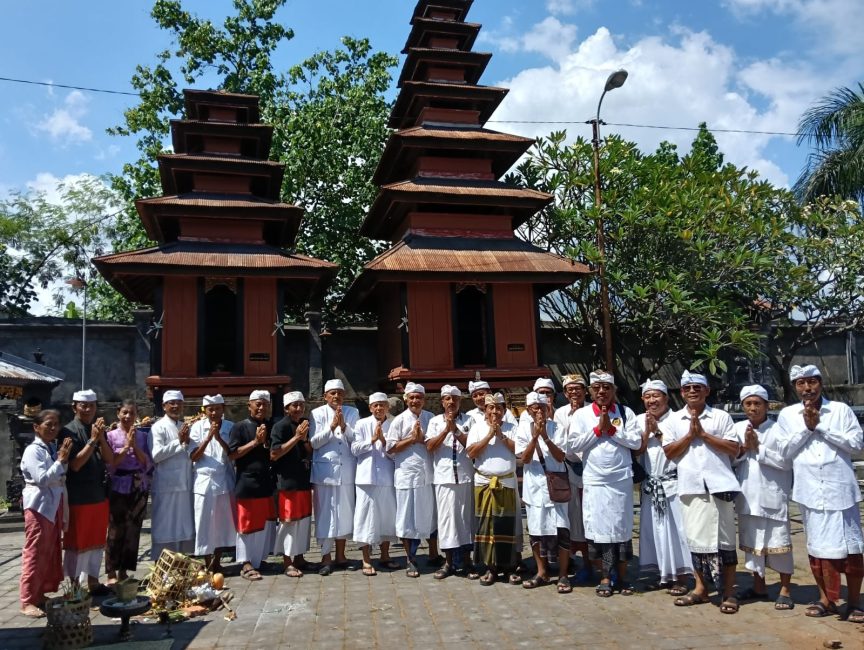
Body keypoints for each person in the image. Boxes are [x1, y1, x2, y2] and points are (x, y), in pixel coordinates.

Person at [776, 365, 864, 622]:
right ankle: (826, 599)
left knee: (851, 550)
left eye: (812, 382)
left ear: (820, 383)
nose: (807, 388)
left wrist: (821, 427)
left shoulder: (840, 410)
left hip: (841, 492)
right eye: (801, 383)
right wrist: (806, 428)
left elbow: (857, 445)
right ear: (795, 387)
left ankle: (854, 602)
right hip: (810, 492)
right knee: (817, 548)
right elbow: (783, 452)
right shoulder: (787, 415)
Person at [664, 370, 741, 614]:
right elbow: (669, 452)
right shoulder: (674, 420)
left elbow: (733, 448)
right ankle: (700, 589)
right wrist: (690, 435)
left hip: (720, 486)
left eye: (697, 387)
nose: (692, 391)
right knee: (696, 540)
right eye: (687, 388)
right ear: (681, 392)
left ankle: (728, 592)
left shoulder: (720, 417)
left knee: (725, 541)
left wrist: (704, 435)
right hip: (691, 488)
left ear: (707, 391)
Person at [570, 371, 641, 597]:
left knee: (621, 528)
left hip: (620, 481)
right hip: (595, 482)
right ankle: (605, 577)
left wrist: (611, 430)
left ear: (614, 390)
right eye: (597, 388)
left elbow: (636, 441)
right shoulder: (581, 415)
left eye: (607, 387)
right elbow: (573, 445)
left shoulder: (625, 412)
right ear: (590, 391)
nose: (602, 391)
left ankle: (622, 577)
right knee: (600, 531)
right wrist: (597, 430)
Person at [733, 384, 794, 610]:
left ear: (767, 406)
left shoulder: (779, 430)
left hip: (773, 495)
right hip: (748, 495)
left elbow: (787, 462)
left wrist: (758, 448)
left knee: (779, 542)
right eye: (748, 403)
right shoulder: (737, 428)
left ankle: (785, 590)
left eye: (757, 403)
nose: (753, 408)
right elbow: (730, 459)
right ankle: (759, 587)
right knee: (753, 543)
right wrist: (743, 449)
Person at [635, 380, 693, 596]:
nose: (652, 400)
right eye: (648, 396)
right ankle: (662, 575)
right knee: (654, 531)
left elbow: (681, 449)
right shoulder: (639, 420)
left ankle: (682, 577)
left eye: (656, 396)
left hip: (673, 483)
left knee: (677, 531)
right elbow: (636, 451)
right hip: (651, 484)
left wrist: (657, 432)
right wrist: (646, 432)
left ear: (666, 398)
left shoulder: (678, 419)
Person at [517, 392, 573, 594]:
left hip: (556, 486)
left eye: (542, 407)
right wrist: (534, 437)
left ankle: (563, 574)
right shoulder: (523, 429)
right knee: (536, 530)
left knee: (562, 529)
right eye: (535, 408)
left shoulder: (558, 428)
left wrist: (545, 437)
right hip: (534, 487)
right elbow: (524, 458)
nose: (539, 411)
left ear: (548, 409)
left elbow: (560, 457)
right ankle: (542, 572)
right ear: (528, 410)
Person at [19, 410, 73, 618]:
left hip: (53, 503)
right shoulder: (32, 451)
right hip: (39, 505)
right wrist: (60, 461)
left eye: (56, 424)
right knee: (35, 552)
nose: (53, 428)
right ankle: (27, 599)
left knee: (49, 551)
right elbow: (42, 479)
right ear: (36, 427)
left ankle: (39, 592)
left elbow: (59, 473)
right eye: (48, 424)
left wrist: (62, 460)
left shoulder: (50, 447)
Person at [60, 388, 113, 594]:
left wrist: (101, 439)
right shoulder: (68, 431)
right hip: (79, 496)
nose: (88, 409)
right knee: (77, 542)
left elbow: (108, 459)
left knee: (97, 541)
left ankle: (93, 581)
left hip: (99, 493)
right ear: (74, 407)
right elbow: (75, 465)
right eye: (84, 406)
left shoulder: (97, 429)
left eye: (92, 405)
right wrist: (92, 440)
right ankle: (74, 586)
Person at [466, 392, 522, 587]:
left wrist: (501, 436)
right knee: (486, 526)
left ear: (504, 410)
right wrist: (489, 435)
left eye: (499, 408)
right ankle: (490, 568)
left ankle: (509, 567)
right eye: (491, 408)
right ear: (485, 410)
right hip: (484, 483)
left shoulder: (512, 428)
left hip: (506, 483)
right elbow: (471, 453)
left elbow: (520, 452)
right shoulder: (477, 428)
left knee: (507, 526)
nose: (495, 412)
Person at [386, 382, 439, 578]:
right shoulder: (398, 421)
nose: (415, 401)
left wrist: (422, 438)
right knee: (407, 519)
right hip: (407, 476)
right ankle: (411, 559)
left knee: (430, 516)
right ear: (406, 399)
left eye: (419, 397)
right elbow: (390, 448)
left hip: (428, 475)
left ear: (424, 400)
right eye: (412, 397)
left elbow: (436, 443)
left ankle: (433, 554)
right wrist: (411, 439)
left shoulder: (431, 418)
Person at [426, 385, 475, 579]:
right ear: (442, 402)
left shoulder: (469, 420)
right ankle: (448, 563)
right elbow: (430, 446)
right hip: (444, 478)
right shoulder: (434, 421)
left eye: (455, 398)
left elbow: (473, 447)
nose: (451, 402)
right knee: (447, 520)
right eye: (447, 398)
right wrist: (446, 430)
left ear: (460, 401)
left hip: (464, 477)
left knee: (465, 519)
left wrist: (456, 430)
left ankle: (467, 562)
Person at [310, 378, 359, 575]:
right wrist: (331, 427)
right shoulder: (316, 413)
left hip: (346, 471)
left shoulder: (352, 412)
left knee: (344, 514)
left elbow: (357, 440)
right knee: (325, 515)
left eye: (340, 393)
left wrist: (344, 426)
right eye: (333, 393)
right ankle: (325, 558)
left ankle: (341, 556)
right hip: (325, 473)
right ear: (325, 396)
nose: (336, 396)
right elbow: (314, 443)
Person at [229, 390, 277, 582]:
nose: (261, 407)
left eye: (265, 404)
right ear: (249, 405)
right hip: (247, 482)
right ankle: (245, 562)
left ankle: (259, 559)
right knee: (247, 524)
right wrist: (255, 442)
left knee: (265, 523)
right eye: (258, 404)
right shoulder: (239, 427)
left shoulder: (271, 426)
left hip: (266, 480)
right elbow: (233, 454)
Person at [351, 392, 399, 576]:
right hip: (366, 479)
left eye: (382, 405)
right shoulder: (361, 424)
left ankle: (385, 556)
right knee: (366, 518)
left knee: (387, 517)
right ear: (371, 408)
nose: (379, 408)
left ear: (387, 407)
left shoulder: (393, 425)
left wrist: (384, 441)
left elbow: (396, 454)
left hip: (387, 478)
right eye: (375, 405)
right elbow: (354, 449)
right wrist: (371, 440)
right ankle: (366, 559)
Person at [105, 400, 152, 584]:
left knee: (133, 528)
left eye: (132, 413)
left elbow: (146, 462)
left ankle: (124, 570)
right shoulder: (110, 436)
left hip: (138, 484)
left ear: (136, 415)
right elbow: (111, 463)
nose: (128, 416)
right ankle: (111, 572)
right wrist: (126, 447)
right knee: (116, 528)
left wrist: (134, 446)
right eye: (124, 412)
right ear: (118, 413)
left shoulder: (143, 436)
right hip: (118, 484)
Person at [189, 394, 236, 573]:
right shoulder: (197, 427)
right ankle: (207, 562)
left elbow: (232, 454)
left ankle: (217, 562)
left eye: (217, 409)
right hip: (204, 482)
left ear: (223, 409)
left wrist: (219, 438)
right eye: (210, 409)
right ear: (205, 411)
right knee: (205, 524)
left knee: (221, 525)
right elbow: (194, 456)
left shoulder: (231, 427)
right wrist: (209, 437)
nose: (214, 413)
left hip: (224, 480)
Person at [271, 391, 315, 577]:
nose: (298, 408)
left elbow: (310, 451)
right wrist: (296, 438)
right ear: (286, 409)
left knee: (303, 521)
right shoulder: (280, 426)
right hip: (287, 482)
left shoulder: (305, 424)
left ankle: (299, 558)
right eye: (294, 405)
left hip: (303, 479)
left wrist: (304, 440)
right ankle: (287, 562)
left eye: (301, 405)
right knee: (289, 522)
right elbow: (274, 454)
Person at [148, 390, 195, 560]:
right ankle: (162, 565)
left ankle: (182, 565)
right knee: (165, 527)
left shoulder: (184, 426)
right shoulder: (158, 427)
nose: (175, 406)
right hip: (166, 487)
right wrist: (178, 441)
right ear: (164, 406)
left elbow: (192, 452)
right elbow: (156, 455)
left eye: (179, 403)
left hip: (185, 485)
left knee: (184, 527)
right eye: (172, 403)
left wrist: (187, 442)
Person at [554, 373, 591, 582]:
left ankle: (598, 563)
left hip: (592, 468)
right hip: (569, 468)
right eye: (570, 389)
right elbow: (562, 441)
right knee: (574, 518)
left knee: (590, 517)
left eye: (578, 388)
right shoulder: (560, 413)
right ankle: (578, 562)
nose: (574, 392)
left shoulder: (593, 410)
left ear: (585, 391)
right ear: (565, 393)